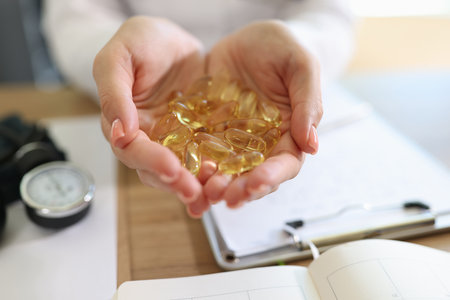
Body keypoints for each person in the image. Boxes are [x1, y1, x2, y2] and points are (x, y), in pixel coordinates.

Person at [42, 0, 354, 218]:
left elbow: (332, 10)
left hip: (274, 92)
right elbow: (75, 15)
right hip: (148, 103)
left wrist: (303, 43)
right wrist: (116, 56)